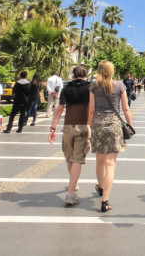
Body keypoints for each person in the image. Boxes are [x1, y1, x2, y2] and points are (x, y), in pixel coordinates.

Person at [88, 60, 132, 213]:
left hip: (98, 123)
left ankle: (100, 186)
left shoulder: (93, 87)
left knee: (100, 161)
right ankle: (105, 200)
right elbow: (125, 108)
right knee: (110, 164)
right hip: (114, 124)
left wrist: (89, 125)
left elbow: (91, 110)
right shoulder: (119, 85)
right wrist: (130, 124)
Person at [49, 64, 91, 205]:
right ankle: (71, 193)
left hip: (67, 126)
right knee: (77, 159)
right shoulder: (89, 88)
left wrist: (53, 128)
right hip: (83, 126)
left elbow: (60, 109)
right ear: (85, 74)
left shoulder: (66, 88)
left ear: (74, 74)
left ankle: (73, 183)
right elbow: (92, 109)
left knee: (69, 157)